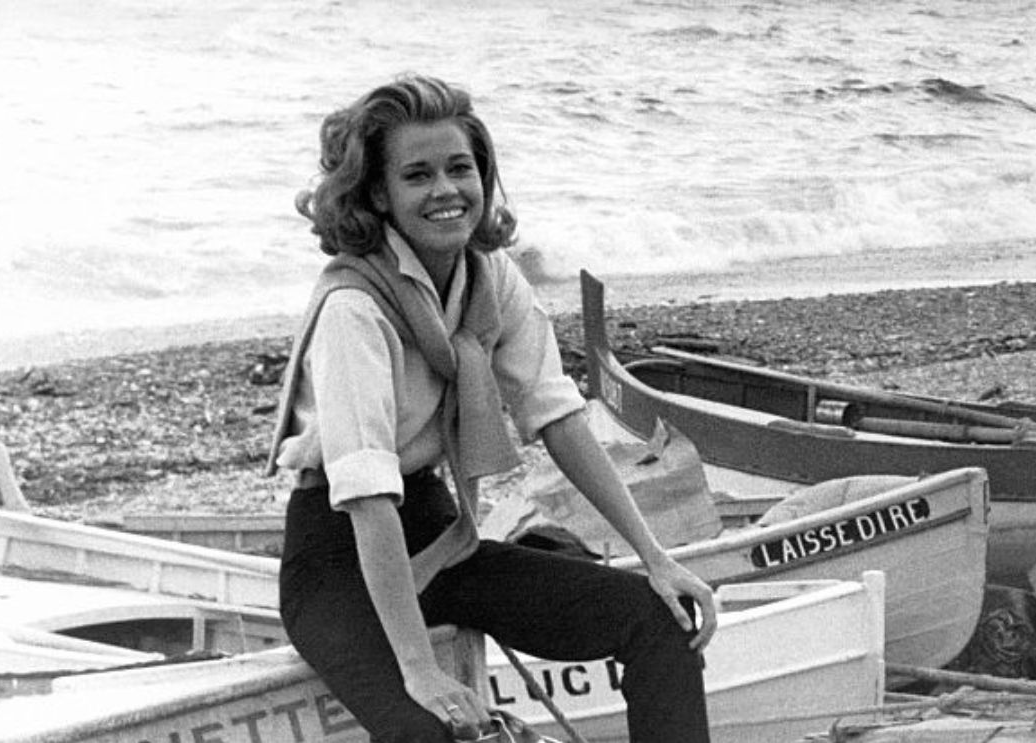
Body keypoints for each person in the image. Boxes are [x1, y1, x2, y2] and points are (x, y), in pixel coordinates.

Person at [267, 73, 717, 743]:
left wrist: (654, 558)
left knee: (658, 619)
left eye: (460, 168)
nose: (446, 190)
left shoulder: (488, 275)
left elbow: (557, 417)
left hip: (438, 531)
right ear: (378, 194)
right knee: (428, 730)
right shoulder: (353, 309)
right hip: (338, 559)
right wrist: (419, 669)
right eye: (417, 175)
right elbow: (367, 500)